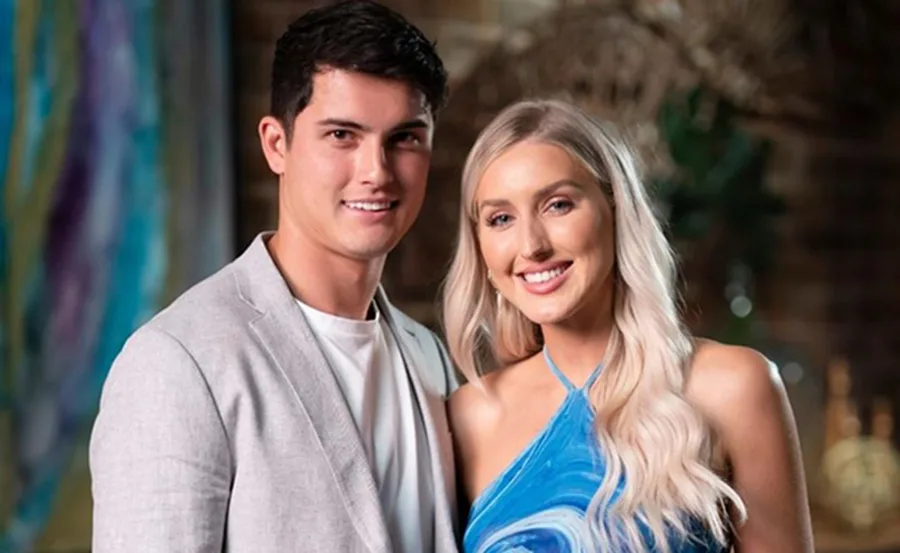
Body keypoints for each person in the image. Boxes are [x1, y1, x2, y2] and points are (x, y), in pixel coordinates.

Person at [90, 2, 461, 552]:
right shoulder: (176, 363)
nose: (376, 172)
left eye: (405, 138)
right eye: (342, 135)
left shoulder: (430, 359)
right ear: (276, 144)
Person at [442, 99, 813, 552]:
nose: (532, 245)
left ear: (615, 209)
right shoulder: (469, 416)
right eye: (501, 218)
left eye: (558, 205)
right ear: (479, 245)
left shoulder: (732, 385)